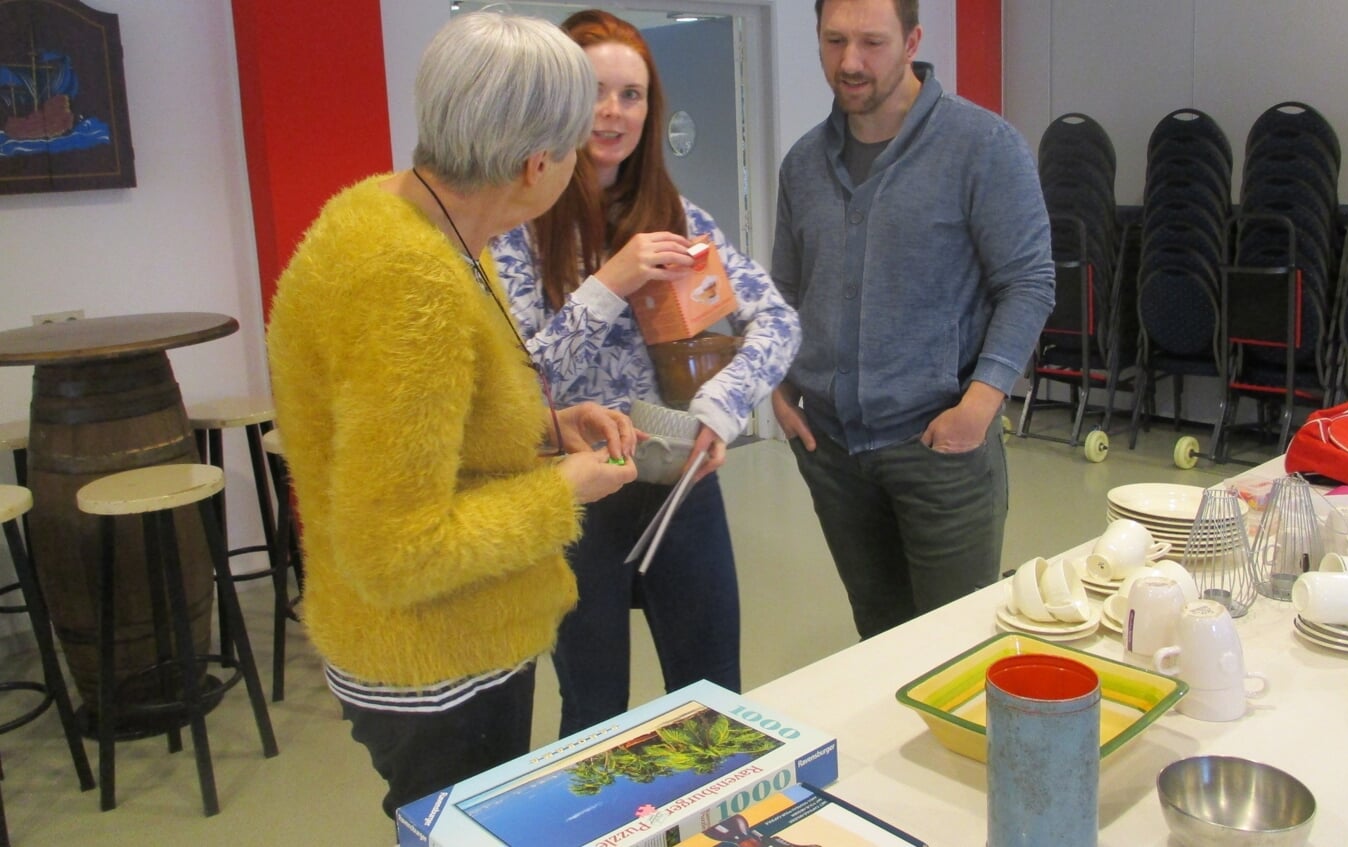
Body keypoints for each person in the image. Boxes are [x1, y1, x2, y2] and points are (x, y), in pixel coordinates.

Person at [265, 13, 640, 820]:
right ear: (537, 163)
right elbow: (397, 548)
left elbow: (418, 425)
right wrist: (563, 488)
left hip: (434, 641)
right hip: (436, 659)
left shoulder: (399, 214)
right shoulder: (411, 282)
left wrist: (547, 428)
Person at [491, 9, 800, 738]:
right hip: (574, 495)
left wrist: (721, 410)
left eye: (631, 95)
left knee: (715, 701)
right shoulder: (515, 224)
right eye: (594, 90)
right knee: (594, 712)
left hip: (676, 487)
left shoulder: (678, 218)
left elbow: (778, 319)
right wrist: (609, 283)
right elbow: (520, 387)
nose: (613, 111)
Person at [770, 0, 1055, 639]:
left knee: (956, 643)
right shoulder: (803, 164)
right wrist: (776, 390)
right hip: (832, 453)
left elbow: (1029, 282)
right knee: (878, 636)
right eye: (834, 41)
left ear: (913, 40)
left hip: (940, 448)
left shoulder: (982, 146)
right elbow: (784, 290)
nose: (850, 62)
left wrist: (980, 406)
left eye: (871, 42)